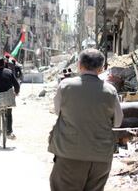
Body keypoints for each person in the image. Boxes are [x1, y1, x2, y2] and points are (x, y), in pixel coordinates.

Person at [48, 49, 124, 191]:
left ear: (79, 65)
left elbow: (58, 111)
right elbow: (118, 122)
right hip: (101, 158)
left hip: (69, 155)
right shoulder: (110, 90)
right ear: (101, 68)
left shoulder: (66, 86)